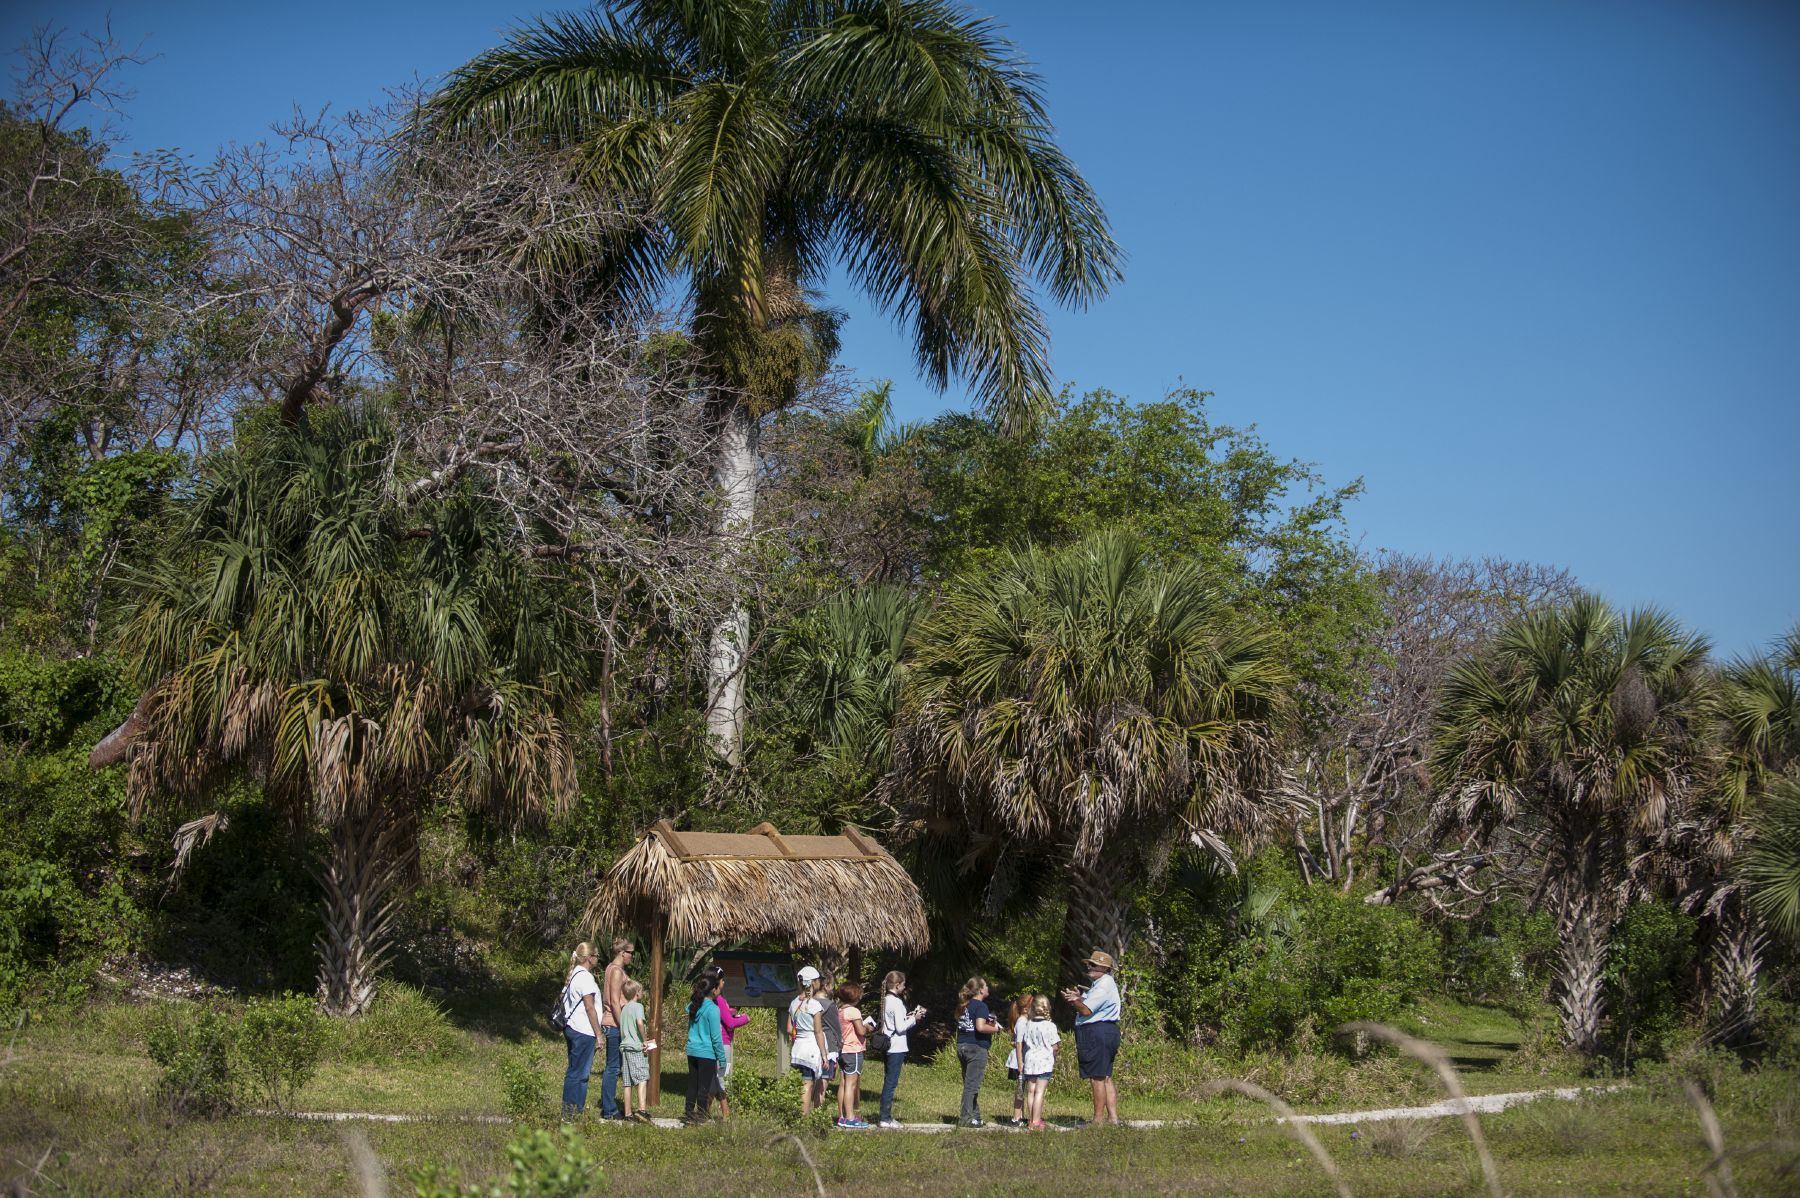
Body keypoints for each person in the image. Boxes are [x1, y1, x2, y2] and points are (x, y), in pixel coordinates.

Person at [1060, 949, 1122, 1126]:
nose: (1089, 967)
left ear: (1105, 968)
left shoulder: (1103, 985)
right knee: (1105, 1076)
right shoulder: (1101, 984)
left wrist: (1074, 1001)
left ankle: (1098, 1121)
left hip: (1097, 1032)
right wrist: (1079, 997)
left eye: (1094, 965)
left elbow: (1086, 1010)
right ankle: (1112, 1119)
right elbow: (1090, 1003)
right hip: (1106, 1031)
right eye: (1089, 964)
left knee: (1097, 1077)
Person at [558, 942, 602, 1120]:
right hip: (583, 1030)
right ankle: (571, 1113)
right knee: (579, 1073)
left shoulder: (574, 974)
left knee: (576, 1071)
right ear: (589, 958)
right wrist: (599, 1034)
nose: (598, 959)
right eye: (596, 956)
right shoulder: (585, 978)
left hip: (572, 1027)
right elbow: (590, 1007)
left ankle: (573, 1111)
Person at [876, 971, 924, 1128]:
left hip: (888, 1045)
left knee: (888, 1080)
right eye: (903, 985)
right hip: (896, 1046)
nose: (904, 987)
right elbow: (900, 1027)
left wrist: (908, 1016)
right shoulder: (896, 1002)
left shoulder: (885, 999)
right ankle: (885, 1118)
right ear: (897, 985)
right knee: (891, 1083)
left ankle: (885, 1116)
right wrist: (914, 1018)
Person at [954, 976, 999, 1128]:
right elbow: (980, 1027)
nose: (988, 988)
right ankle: (965, 1119)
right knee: (971, 1086)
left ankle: (976, 1117)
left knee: (970, 1084)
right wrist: (995, 1028)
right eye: (986, 986)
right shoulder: (981, 1006)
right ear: (980, 990)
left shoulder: (965, 1005)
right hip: (976, 1048)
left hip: (962, 1045)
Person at [683, 971, 726, 1124]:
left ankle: (688, 1112)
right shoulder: (713, 1009)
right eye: (718, 987)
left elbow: (688, 1007)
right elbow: (716, 1038)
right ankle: (701, 1115)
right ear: (713, 989)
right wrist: (722, 1058)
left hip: (692, 1050)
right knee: (704, 1086)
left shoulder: (694, 1005)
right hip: (707, 1053)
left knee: (692, 1084)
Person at [599, 938, 635, 1119]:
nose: (632, 956)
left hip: (615, 1023)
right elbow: (614, 1001)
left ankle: (610, 1106)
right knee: (613, 1067)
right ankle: (609, 1109)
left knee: (615, 1066)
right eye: (630, 953)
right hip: (614, 1024)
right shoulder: (615, 971)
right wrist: (623, 1027)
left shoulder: (613, 969)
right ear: (622, 953)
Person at [787, 966, 829, 1115]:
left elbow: (789, 1029)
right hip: (810, 1049)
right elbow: (818, 1032)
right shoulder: (814, 1005)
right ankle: (803, 1118)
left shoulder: (794, 1003)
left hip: (797, 1049)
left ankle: (797, 1115)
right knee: (807, 1085)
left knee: (800, 1084)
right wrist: (824, 1055)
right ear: (813, 982)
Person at [711, 967, 751, 1120]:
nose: (724, 983)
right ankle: (726, 1113)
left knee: (714, 1079)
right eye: (722, 980)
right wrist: (745, 1018)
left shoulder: (710, 1000)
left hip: (714, 1042)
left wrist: (731, 1012)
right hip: (723, 1043)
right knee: (723, 1078)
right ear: (717, 982)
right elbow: (730, 1023)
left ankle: (704, 1111)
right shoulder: (720, 1000)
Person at [834, 981, 873, 1129]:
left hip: (842, 1050)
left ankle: (842, 1116)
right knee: (851, 1084)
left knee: (843, 1083)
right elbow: (860, 1031)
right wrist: (867, 1027)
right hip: (853, 1050)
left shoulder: (839, 1010)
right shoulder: (854, 1011)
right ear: (855, 996)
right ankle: (850, 1118)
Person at [1018, 995, 1060, 1129]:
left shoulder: (1028, 1024)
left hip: (1030, 1060)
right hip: (1044, 1061)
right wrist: (1054, 1056)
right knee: (1039, 1092)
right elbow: (1055, 1046)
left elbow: (1025, 1041)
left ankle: (1031, 1119)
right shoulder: (1050, 1026)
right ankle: (1036, 1121)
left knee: (1031, 1091)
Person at [618, 978, 652, 1122]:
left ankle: (627, 1113)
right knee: (642, 1077)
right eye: (641, 990)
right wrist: (644, 1040)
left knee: (627, 1082)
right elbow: (639, 1023)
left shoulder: (624, 1009)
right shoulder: (638, 1007)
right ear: (637, 993)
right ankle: (642, 1110)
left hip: (625, 1047)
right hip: (636, 1047)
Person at [1004, 992, 1036, 1126]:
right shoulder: (1022, 1022)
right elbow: (1018, 1043)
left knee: (1022, 1088)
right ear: (1026, 1008)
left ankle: (1021, 1116)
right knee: (1020, 1089)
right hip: (1019, 1061)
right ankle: (1016, 1117)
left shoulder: (1026, 1021)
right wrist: (1020, 1062)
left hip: (1023, 1059)